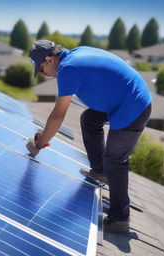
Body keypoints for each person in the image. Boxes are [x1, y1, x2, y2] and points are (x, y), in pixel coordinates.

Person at [27, 40, 152, 233]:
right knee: (89, 119)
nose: (43, 74)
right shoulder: (76, 53)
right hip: (125, 99)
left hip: (133, 107)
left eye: (41, 68)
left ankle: (120, 218)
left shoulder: (68, 70)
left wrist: (40, 144)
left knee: (115, 160)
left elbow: (58, 115)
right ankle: (100, 171)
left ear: (50, 59)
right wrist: (44, 135)